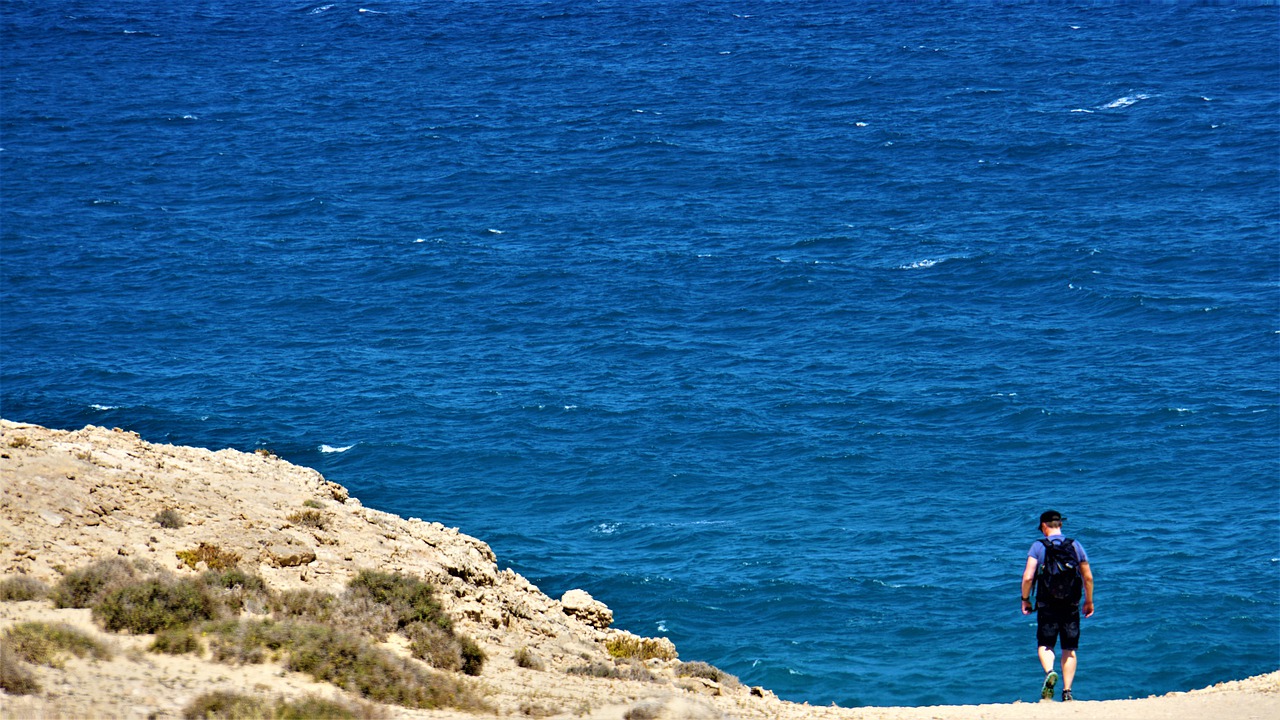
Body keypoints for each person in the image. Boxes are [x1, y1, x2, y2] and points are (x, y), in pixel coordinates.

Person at [1021, 510, 1094, 702]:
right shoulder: (1075, 545)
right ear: (1060, 524)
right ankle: (1067, 692)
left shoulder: (1038, 546)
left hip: (1047, 603)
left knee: (1045, 644)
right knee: (1069, 648)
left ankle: (1050, 672)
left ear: (1044, 526)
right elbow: (1088, 577)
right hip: (1071, 602)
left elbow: (1028, 577)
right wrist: (1089, 601)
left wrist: (1025, 599)